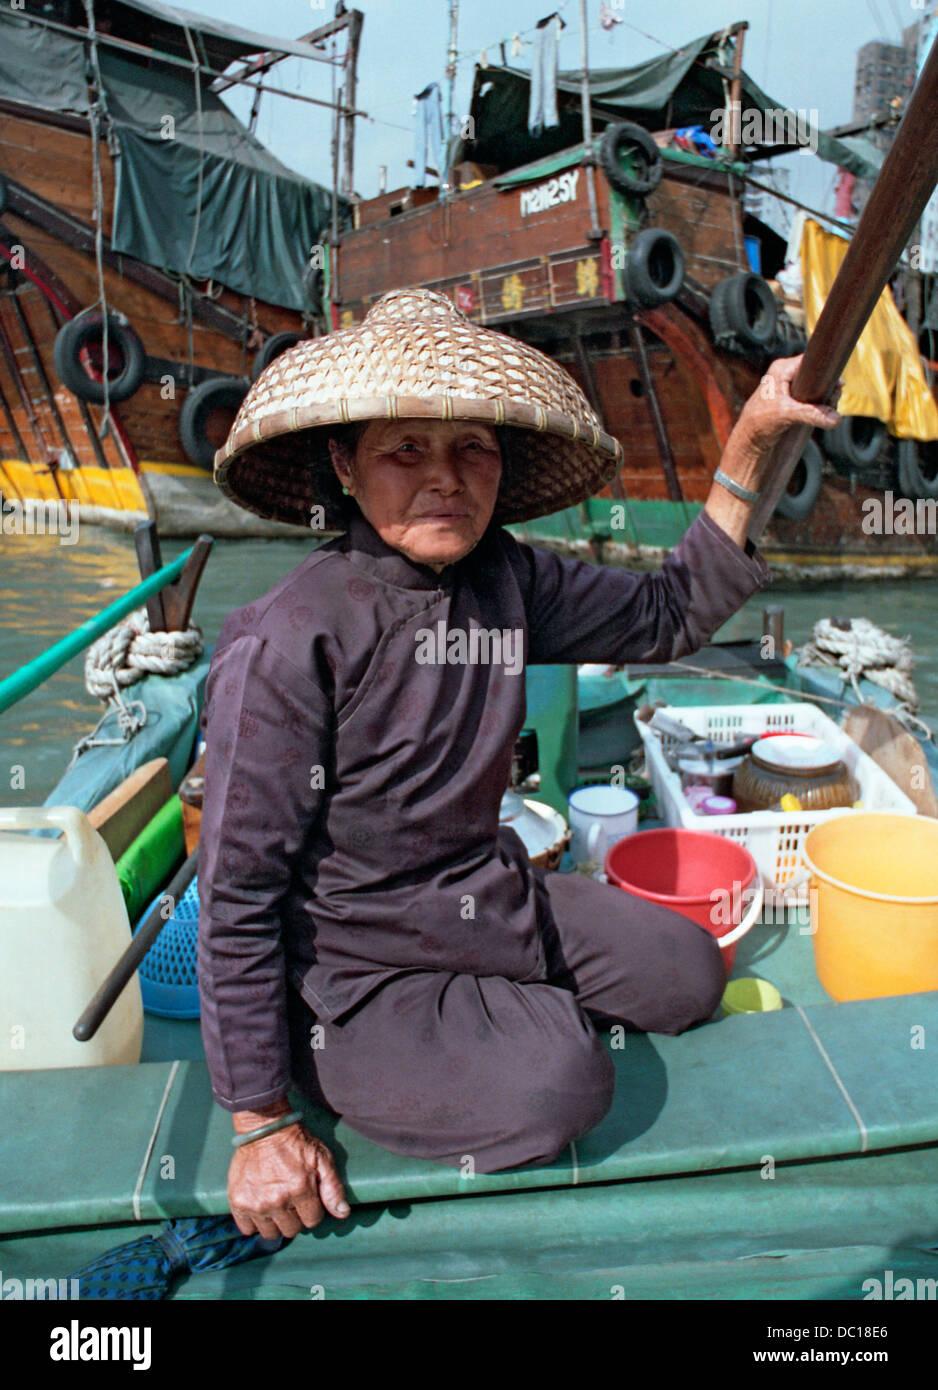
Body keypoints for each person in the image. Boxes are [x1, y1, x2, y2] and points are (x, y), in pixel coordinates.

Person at [198, 288, 841, 1241]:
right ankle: (359, 1052)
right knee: (563, 1082)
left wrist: (750, 442)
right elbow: (238, 895)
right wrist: (261, 1122)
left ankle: (490, 1002)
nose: (444, 478)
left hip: (482, 894)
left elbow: (666, 616)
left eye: (473, 448)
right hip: (356, 966)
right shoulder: (290, 639)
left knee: (685, 971)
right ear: (344, 462)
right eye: (404, 449)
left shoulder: (508, 575)